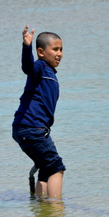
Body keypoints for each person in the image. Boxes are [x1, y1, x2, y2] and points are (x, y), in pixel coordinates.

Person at [12, 25, 66, 201]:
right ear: (41, 52)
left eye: (61, 49)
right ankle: (56, 210)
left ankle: (41, 209)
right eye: (55, 49)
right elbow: (27, 67)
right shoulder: (39, 68)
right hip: (32, 128)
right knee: (56, 168)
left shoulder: (49, 72)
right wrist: (27, 47)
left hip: (25, 129)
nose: (59, 53)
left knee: (45, 169)